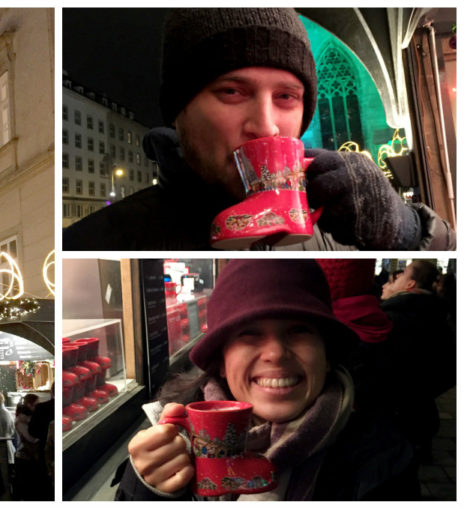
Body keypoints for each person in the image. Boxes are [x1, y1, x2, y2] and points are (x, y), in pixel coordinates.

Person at [63, 8, 455, 251]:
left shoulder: (342, 229)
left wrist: (408, 230)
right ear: (180, 110)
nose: (266, 126)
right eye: (232, 91)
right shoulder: (93, 242)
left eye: (286, 97)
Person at [115, 259, 420, 500]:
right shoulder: (168, 442)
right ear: (221, 362)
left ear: (326, 355)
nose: (275, 353)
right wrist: (144, 489)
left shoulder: (382, 459)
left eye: (299, 330)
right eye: (249, 333)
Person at [375, 260, 455, 461]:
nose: (387, 283)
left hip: (391, 423)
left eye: (399, 277)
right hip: (421, 417)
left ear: (410, 285)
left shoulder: (391, 320)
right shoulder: (437, 317)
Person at [13, 394, 42, 499]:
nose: (38, 407)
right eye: (36, 404)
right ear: (29, 405)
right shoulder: (21, 421)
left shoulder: (29, 418)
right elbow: (31, 438)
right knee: (28, 491)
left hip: (28, 456)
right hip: (25, 457)